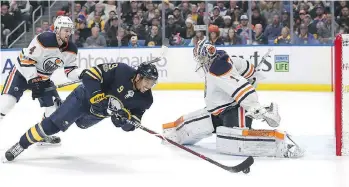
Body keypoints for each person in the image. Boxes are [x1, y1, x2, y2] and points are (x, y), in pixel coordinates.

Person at [162, 39, 304, 158]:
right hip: (218, 111)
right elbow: (247, 68)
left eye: (201, 58)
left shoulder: (219, 68)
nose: (200, 62)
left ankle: (283, 144)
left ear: (208, 56)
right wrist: (253, 76)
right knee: (191, 124)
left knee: (233, 142)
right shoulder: (224, 61)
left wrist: (253, 106)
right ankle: (174, 134)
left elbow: (240, 87)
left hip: (235, 111)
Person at [4, 60, 158, 162]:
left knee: (81, 125)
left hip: (98, 114)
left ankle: (63, 107)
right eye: (147, 81)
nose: (148, 86)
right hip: (83, 98)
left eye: (152, 84)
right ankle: (21, 144)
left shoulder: (146, 100)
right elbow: (91, 74)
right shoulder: (122, 70)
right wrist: (96, 95)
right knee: (53, 126)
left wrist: (123, 121)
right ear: (138, 76)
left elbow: (132, 124)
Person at [0, 16, 85, 145]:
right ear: (57, 30)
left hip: (43, 79)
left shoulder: (71, 49)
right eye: (65, 30)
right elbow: (26, 60)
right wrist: (33, 79)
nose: (68, 33)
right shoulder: (44, 40)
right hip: (22, 73)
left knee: (53, 111)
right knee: (7, 103)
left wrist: (83, 74)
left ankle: (42, 135)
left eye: (70, 30)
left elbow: (70, 71)